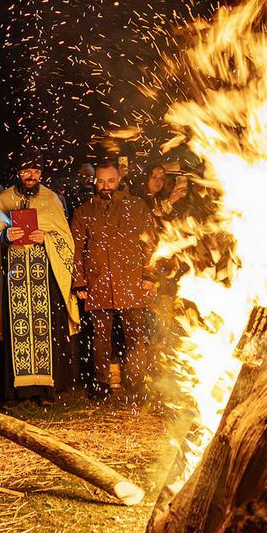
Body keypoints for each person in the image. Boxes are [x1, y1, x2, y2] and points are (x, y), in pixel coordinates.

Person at [0, 159, 80, 407]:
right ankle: (16, 393)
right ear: (18, 172)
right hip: (15, 280)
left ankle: (46, 391)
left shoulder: (52, 199)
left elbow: (66, 243)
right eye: (26, 171)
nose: (31, 175)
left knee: (47, 332)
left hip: (45, 278)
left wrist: (45, 237)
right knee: (17, 331)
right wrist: (4, 237)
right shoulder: (3, 200)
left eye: (36, 171)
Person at [69, 160, 159, 402]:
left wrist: (149, 276)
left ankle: (137, 383)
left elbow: (151, 243)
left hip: (130, 281)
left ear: (119, 180)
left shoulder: (137, 207)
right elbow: (76, 248)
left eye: (110, 181)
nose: (105, 186)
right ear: (94, 181)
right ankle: (101, 383)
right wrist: (79, 282)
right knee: (99, 335)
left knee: (134, 335)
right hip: (98, 281)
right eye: (100, 181)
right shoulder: (84, 211)